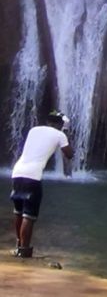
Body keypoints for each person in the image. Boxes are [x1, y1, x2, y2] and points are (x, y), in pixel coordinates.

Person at [10, 110, 74, 258]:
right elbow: (70, 154)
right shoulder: (60, 135)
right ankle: (24, 250)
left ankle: (18, 246)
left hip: (17, 172)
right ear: (60, 124)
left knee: (18, 212)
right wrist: (66, 131)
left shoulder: (34, 130)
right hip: (32, 176)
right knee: (29, 215)